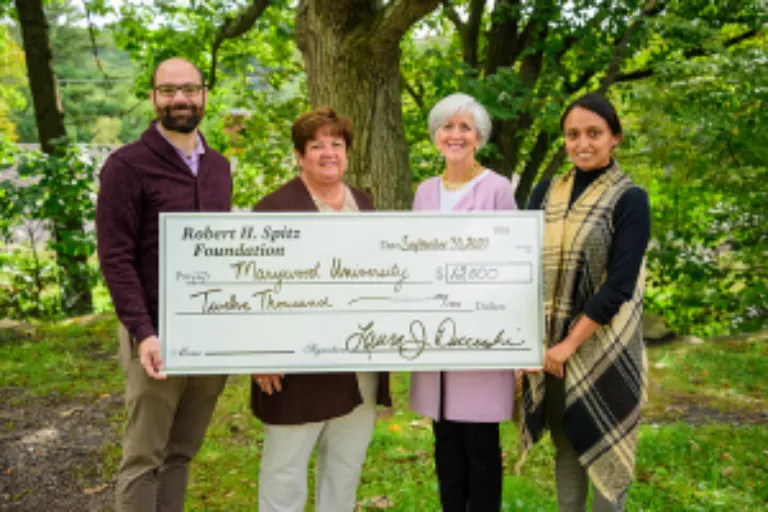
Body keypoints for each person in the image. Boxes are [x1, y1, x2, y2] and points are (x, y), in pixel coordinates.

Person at [96, 57, 231, 512]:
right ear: (154, 97)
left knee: (181, 453)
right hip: (155, 333)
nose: (180, 99)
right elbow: (115, 257)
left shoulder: (219, 167)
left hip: (209, 333)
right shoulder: (126, 166)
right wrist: (143, 332)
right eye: (169, 90)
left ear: (204, 95)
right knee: (144, 457)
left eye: (189, 89)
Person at [250, 106, 392, 512]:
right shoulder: (273, 208)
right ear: (299, 155)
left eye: (336, 143)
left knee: (345, 467)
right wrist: (259, 352)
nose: (328, 152)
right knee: (285, 471)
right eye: (316, 146)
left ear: (347, 151)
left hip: (358, 362)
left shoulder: (363, 203)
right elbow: (251, 287)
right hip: (295, 365)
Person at [519, 92, 651, 511]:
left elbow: (619, 286)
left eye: (594, 133)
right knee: (567, 445)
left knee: (606, 451)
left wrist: (569, 344)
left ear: (615, 137)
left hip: (605, 347)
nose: (582, 144)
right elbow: (522, 268)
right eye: (573, 135)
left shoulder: (630, 199)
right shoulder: (546, 193)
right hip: (551, 346)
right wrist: (528, 344)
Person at [409, 92, 518, 512]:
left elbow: (513, 263)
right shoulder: (424, 192)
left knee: (480, 447)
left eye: (465, 128)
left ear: (479, 138)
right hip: (436, 338)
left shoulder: (497, 189)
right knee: (447, 445)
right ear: (435, 135)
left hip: (481, 337)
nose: (455, 135)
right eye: (447, 127)